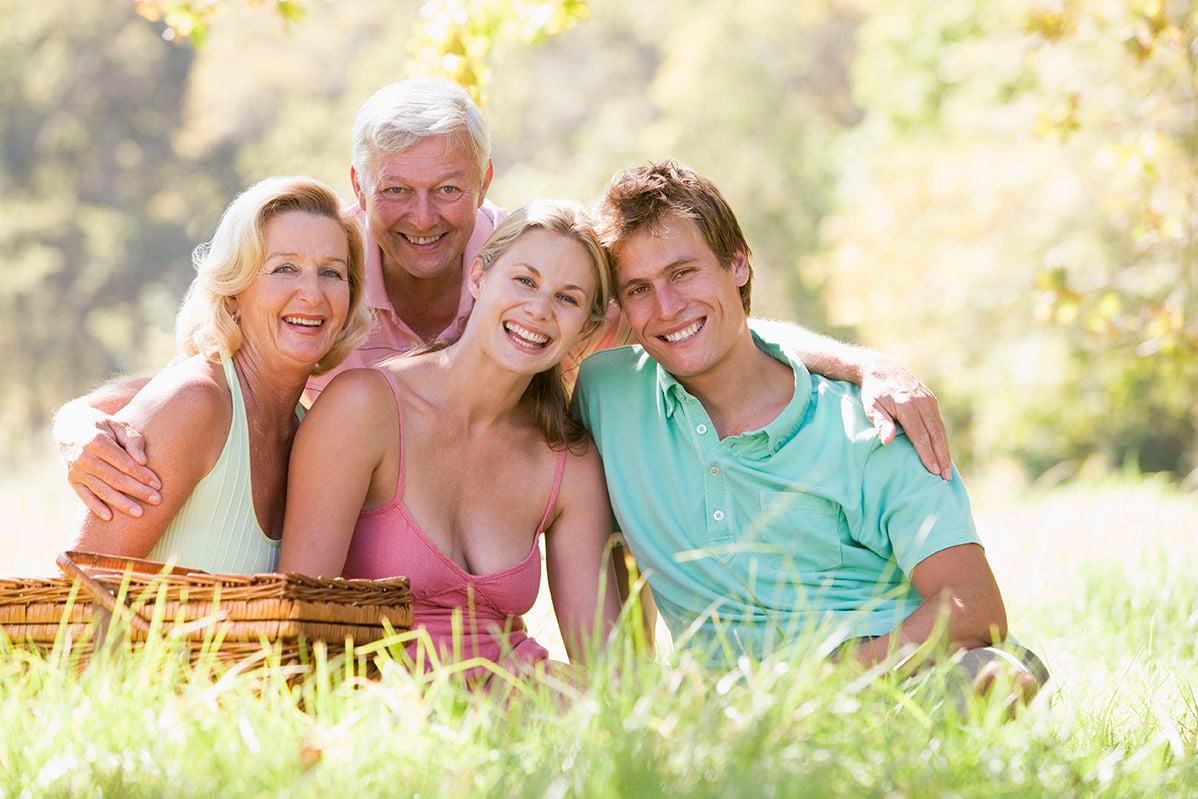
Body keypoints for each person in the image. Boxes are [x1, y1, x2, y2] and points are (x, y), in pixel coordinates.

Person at [54, 76, 954, 524]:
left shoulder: (530, 272)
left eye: (447, 188)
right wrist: (71, 422)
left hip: (482, 544)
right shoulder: (322, 275)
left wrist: (861, 360)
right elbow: (199, 375)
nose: (422, 216)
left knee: (612, 438)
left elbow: (673, 314)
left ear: (484, 177)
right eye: (395, 191)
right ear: (359, 186)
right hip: (337, 544)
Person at [572, 159, 1046, 697]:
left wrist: (814, 684)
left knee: (995, 678)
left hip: (877, 670)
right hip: (722, 704)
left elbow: (974, 606)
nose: (667, 307)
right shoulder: (607, 393)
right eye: (638, 289)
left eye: (684, 273)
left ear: (738, 265)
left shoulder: (870, 426)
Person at [278, 199, 620, 676]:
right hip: (387, 708)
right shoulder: (366, 407)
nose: (539, 309)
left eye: (568, 298)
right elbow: (297, 619)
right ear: (478, 277)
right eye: (524, 280)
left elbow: (609, 670)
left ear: (584, 325)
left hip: (524, 711)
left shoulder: (567, 461)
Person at [70, 176, 370, 574]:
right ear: (233, 295)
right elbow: (77, 593)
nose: (313, 294)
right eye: (284, 268)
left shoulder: (308, 431)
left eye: (331, 273)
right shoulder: (194, 403)